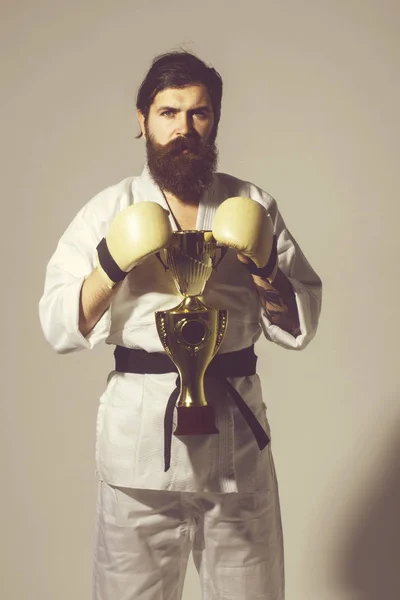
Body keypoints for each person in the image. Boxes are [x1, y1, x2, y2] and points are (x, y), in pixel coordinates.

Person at [39, 51, 322, 600]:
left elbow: (300, 322)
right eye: (169, 113)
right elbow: (57, 325)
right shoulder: (108, 210)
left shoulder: (251, 203)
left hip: (236, 449)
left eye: (199, 114)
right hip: (139, 456)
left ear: (216, 120)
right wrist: (110, 266)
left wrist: (265, 269)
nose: (183, 130)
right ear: (141, 119)